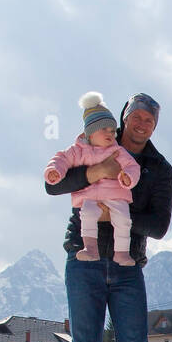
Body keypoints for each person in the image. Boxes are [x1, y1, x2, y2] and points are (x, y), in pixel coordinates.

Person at [44, 91, 172, 342]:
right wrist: (93, 174)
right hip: (83, 261)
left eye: (150, 120)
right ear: (124, 117)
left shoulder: (159, 168)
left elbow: (160, 226)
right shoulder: (92, 143)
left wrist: (118, 218)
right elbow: (52, 184)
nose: (142, 123)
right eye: (137, 116)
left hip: (127, 264)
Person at [44, 92, 140, 266]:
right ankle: (90, 248)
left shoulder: (117, 151)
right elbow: (61, 159)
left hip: (115, 196)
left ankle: (122, 253)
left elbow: (132, 167)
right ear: (90, 132)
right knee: (87, 215)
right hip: (89, 196)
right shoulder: (77, 151)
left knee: (123, 220)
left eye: (112, 130)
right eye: (104, 129)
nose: (110, 134)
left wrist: (128, 177)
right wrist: (55, 171)